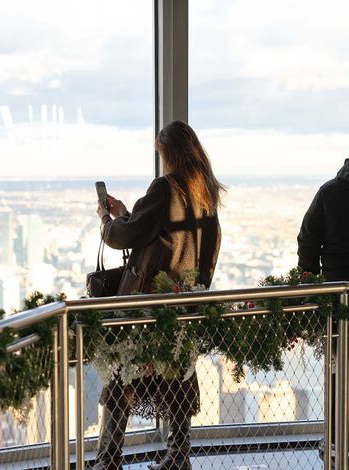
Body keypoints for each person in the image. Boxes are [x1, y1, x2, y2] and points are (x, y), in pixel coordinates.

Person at [94, 120, 225, 470]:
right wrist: (127, 213)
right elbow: (190, 244)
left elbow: (125, 238)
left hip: (148, 305)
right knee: (176, 378)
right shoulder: (205, 193)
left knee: (123, 373)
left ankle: (108, 459)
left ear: (169, 153)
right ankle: (178, 458)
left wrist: (107, 220)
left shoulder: (165, 188)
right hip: (182, 304)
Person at [297, 132, 349, 465]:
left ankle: (337, 443)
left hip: (337, 299)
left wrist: (311, 278)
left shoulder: (329, 192)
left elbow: (307, 239)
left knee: (341, 374)